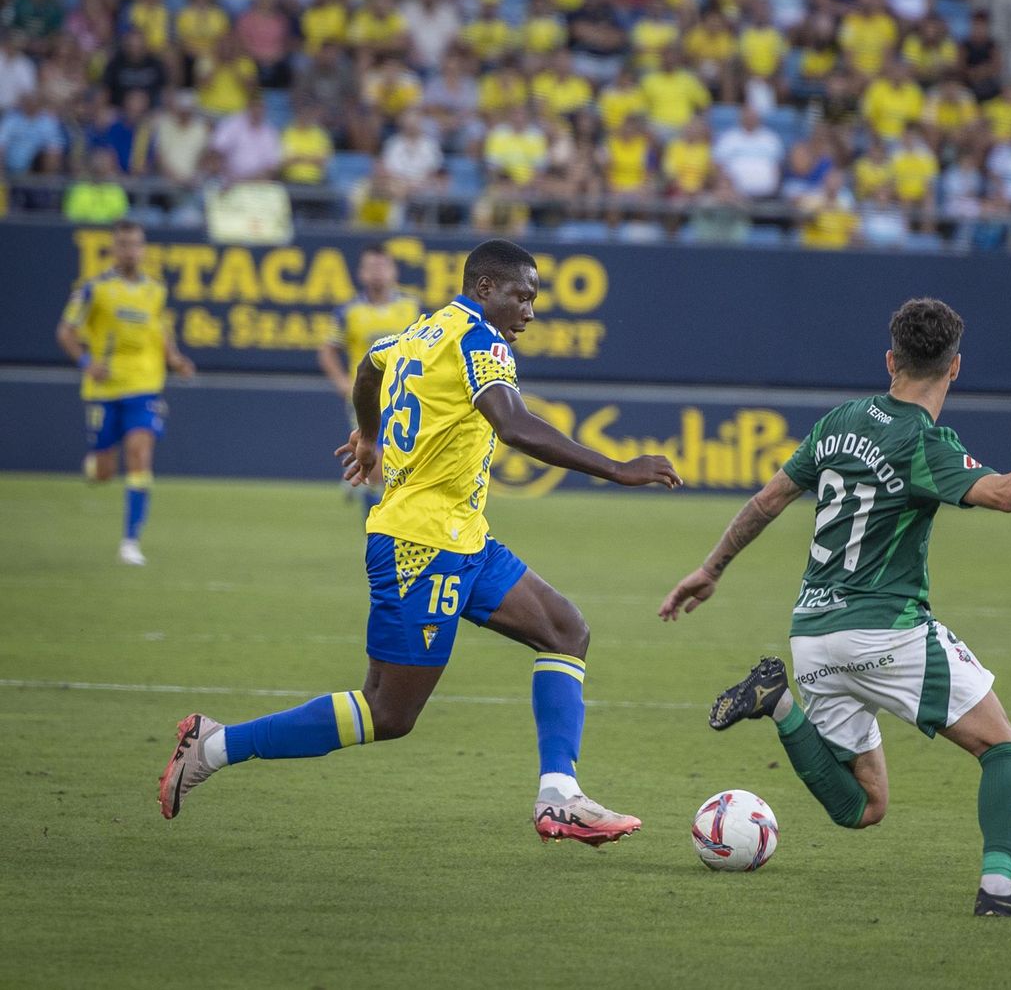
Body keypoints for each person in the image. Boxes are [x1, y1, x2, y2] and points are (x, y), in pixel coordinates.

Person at [658, 299, 1011, 917]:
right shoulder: (923, 442)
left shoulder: (839, 422)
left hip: (812, 634)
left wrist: (711, 569)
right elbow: (1004, 495)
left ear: (890, 360)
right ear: (955, 368)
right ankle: (999, 892)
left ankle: (779, 702)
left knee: (863, 807)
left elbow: (768, 501)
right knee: (1005, 750)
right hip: (885, 632)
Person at [158, 240, 683, 839]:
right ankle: (214, 746)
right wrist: (616, 467)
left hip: (465, 538)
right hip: (421, 546)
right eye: (522, 296)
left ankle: (559, 796)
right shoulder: (480, 341)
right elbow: (513, 425)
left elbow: (368, 368)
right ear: (485, 288)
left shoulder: (418, 333)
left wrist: (368, 435)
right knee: (387, 712)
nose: (530, 312)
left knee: (566, 630)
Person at [54, 219, 196, 565]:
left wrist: (175, 359)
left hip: (145, 385)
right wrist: (87, 362)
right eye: (124, 244)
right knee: (104, 471)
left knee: (139, 452)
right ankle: (96, 466)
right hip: (105, 388)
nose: (130, 251)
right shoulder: (94, 289)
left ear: (143, 249)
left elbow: (160, 330)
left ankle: (130, 542)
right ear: (114, 249)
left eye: (136, 244)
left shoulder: (155, 290)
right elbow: (66, 332)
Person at [317, 244, 421, 508]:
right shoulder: (348, 312)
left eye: (382, 266)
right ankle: (375, 519)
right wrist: (343, 383)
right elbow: (328, 350)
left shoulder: (411, 308)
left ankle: (371, 495)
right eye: (371, 267)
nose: (377, 272)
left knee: (398, 461)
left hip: (404, 396)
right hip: (367, 397)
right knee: (375, 459)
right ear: (361, 273)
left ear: (394, 271)